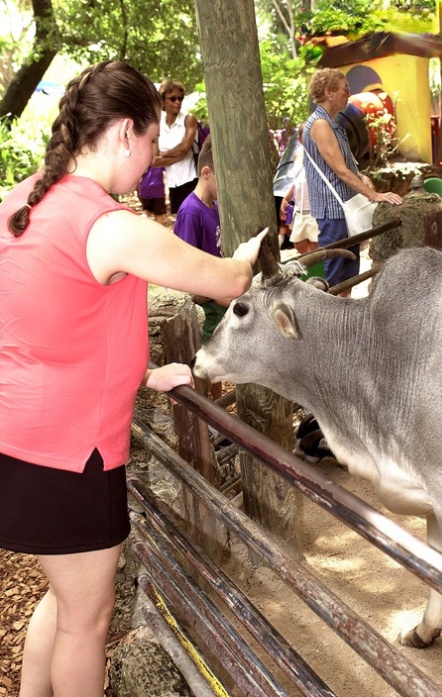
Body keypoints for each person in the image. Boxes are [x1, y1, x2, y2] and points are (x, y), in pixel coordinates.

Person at [0, 60, 266, 697]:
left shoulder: (24, 197)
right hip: (73, 457)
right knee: (86, 624)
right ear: (125, 132)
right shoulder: (110, 225)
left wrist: (138, 374)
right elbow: (227, 279)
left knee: (62, 604)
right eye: (150, 143)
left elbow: (51, 319)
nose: (152, 160)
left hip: (23, 442)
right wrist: (254, 249)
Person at [303, 68, 403, 290]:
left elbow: (345, 165)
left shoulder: (332, 122)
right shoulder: (320, 124)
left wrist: (362, 177)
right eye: (345, 89)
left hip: (344, 205)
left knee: (350, 268)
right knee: (335, 271)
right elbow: (340, 171)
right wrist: (374, 195)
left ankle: (345, 317)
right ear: (329, 92)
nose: (349, 93)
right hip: (333, 208)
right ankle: (329, 320)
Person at [174, 134, 225, 399]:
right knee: (204, 364)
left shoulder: (213, 207)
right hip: (205, 304)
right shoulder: (191, 211)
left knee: (215, 364)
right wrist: (217, 294)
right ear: (206, 173)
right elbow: (184, 270)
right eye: (222, 178)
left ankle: (218, 411)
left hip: (216, 298)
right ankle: (210, 417)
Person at [153, 79, 198, 214]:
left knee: (193, 222)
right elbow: (154, 161)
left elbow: (185, 148)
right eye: (173, 99)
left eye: (180, 98)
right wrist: (178, 154)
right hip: (173, 184)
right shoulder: (158, 125)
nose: (177, 102)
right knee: (179, 223)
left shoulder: (188, 119)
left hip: (191, 180)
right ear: (163, 101)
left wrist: (165, 154)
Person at [280, 123, 319, 255]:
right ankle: (307, 273)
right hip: (299, 210)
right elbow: (297, 182)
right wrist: (286, 198)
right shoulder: (298, 156)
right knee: (299, 244)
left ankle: (317, 273)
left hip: (315, 211)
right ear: (300, 139)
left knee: (315, 245)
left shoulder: (321, 156)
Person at [137, 158, 166, 224]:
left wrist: (139, 191)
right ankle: (159, 230)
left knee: (147, 210)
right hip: (158, 191)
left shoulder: (142, 161)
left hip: (145, 190)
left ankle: (142, 223)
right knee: (159, 214)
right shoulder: (159, 161)